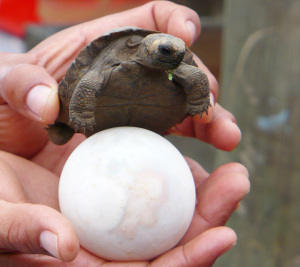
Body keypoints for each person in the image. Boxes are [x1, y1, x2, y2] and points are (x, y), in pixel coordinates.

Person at [0, 1, 250, 266]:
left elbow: (195, 78)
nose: (173, 57)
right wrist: (78, 116)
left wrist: (201, 101)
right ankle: (65, 123)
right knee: (61, 130)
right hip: (95, 107)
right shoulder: (112, 56)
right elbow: (92, 79)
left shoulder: (173, 63)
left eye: (177, 53)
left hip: (147, 119)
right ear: (148, 48)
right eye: (165, 51)